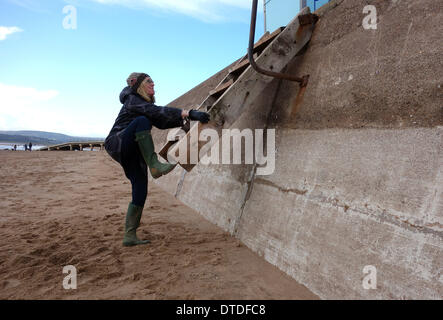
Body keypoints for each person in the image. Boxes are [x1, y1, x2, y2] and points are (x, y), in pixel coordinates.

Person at [105, 72, 210, 247]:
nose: (153, 84)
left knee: (140, 188)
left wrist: (184, 119)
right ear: (137, 85)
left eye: (153, 81)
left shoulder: (143, 104)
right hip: (118, 142)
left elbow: (160, 121)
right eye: (148, 81)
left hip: (133, 149)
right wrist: (188, 112)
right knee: (141, 121)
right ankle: (154, 164)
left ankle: (129, 235)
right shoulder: (132, 100)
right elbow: (154, 112)